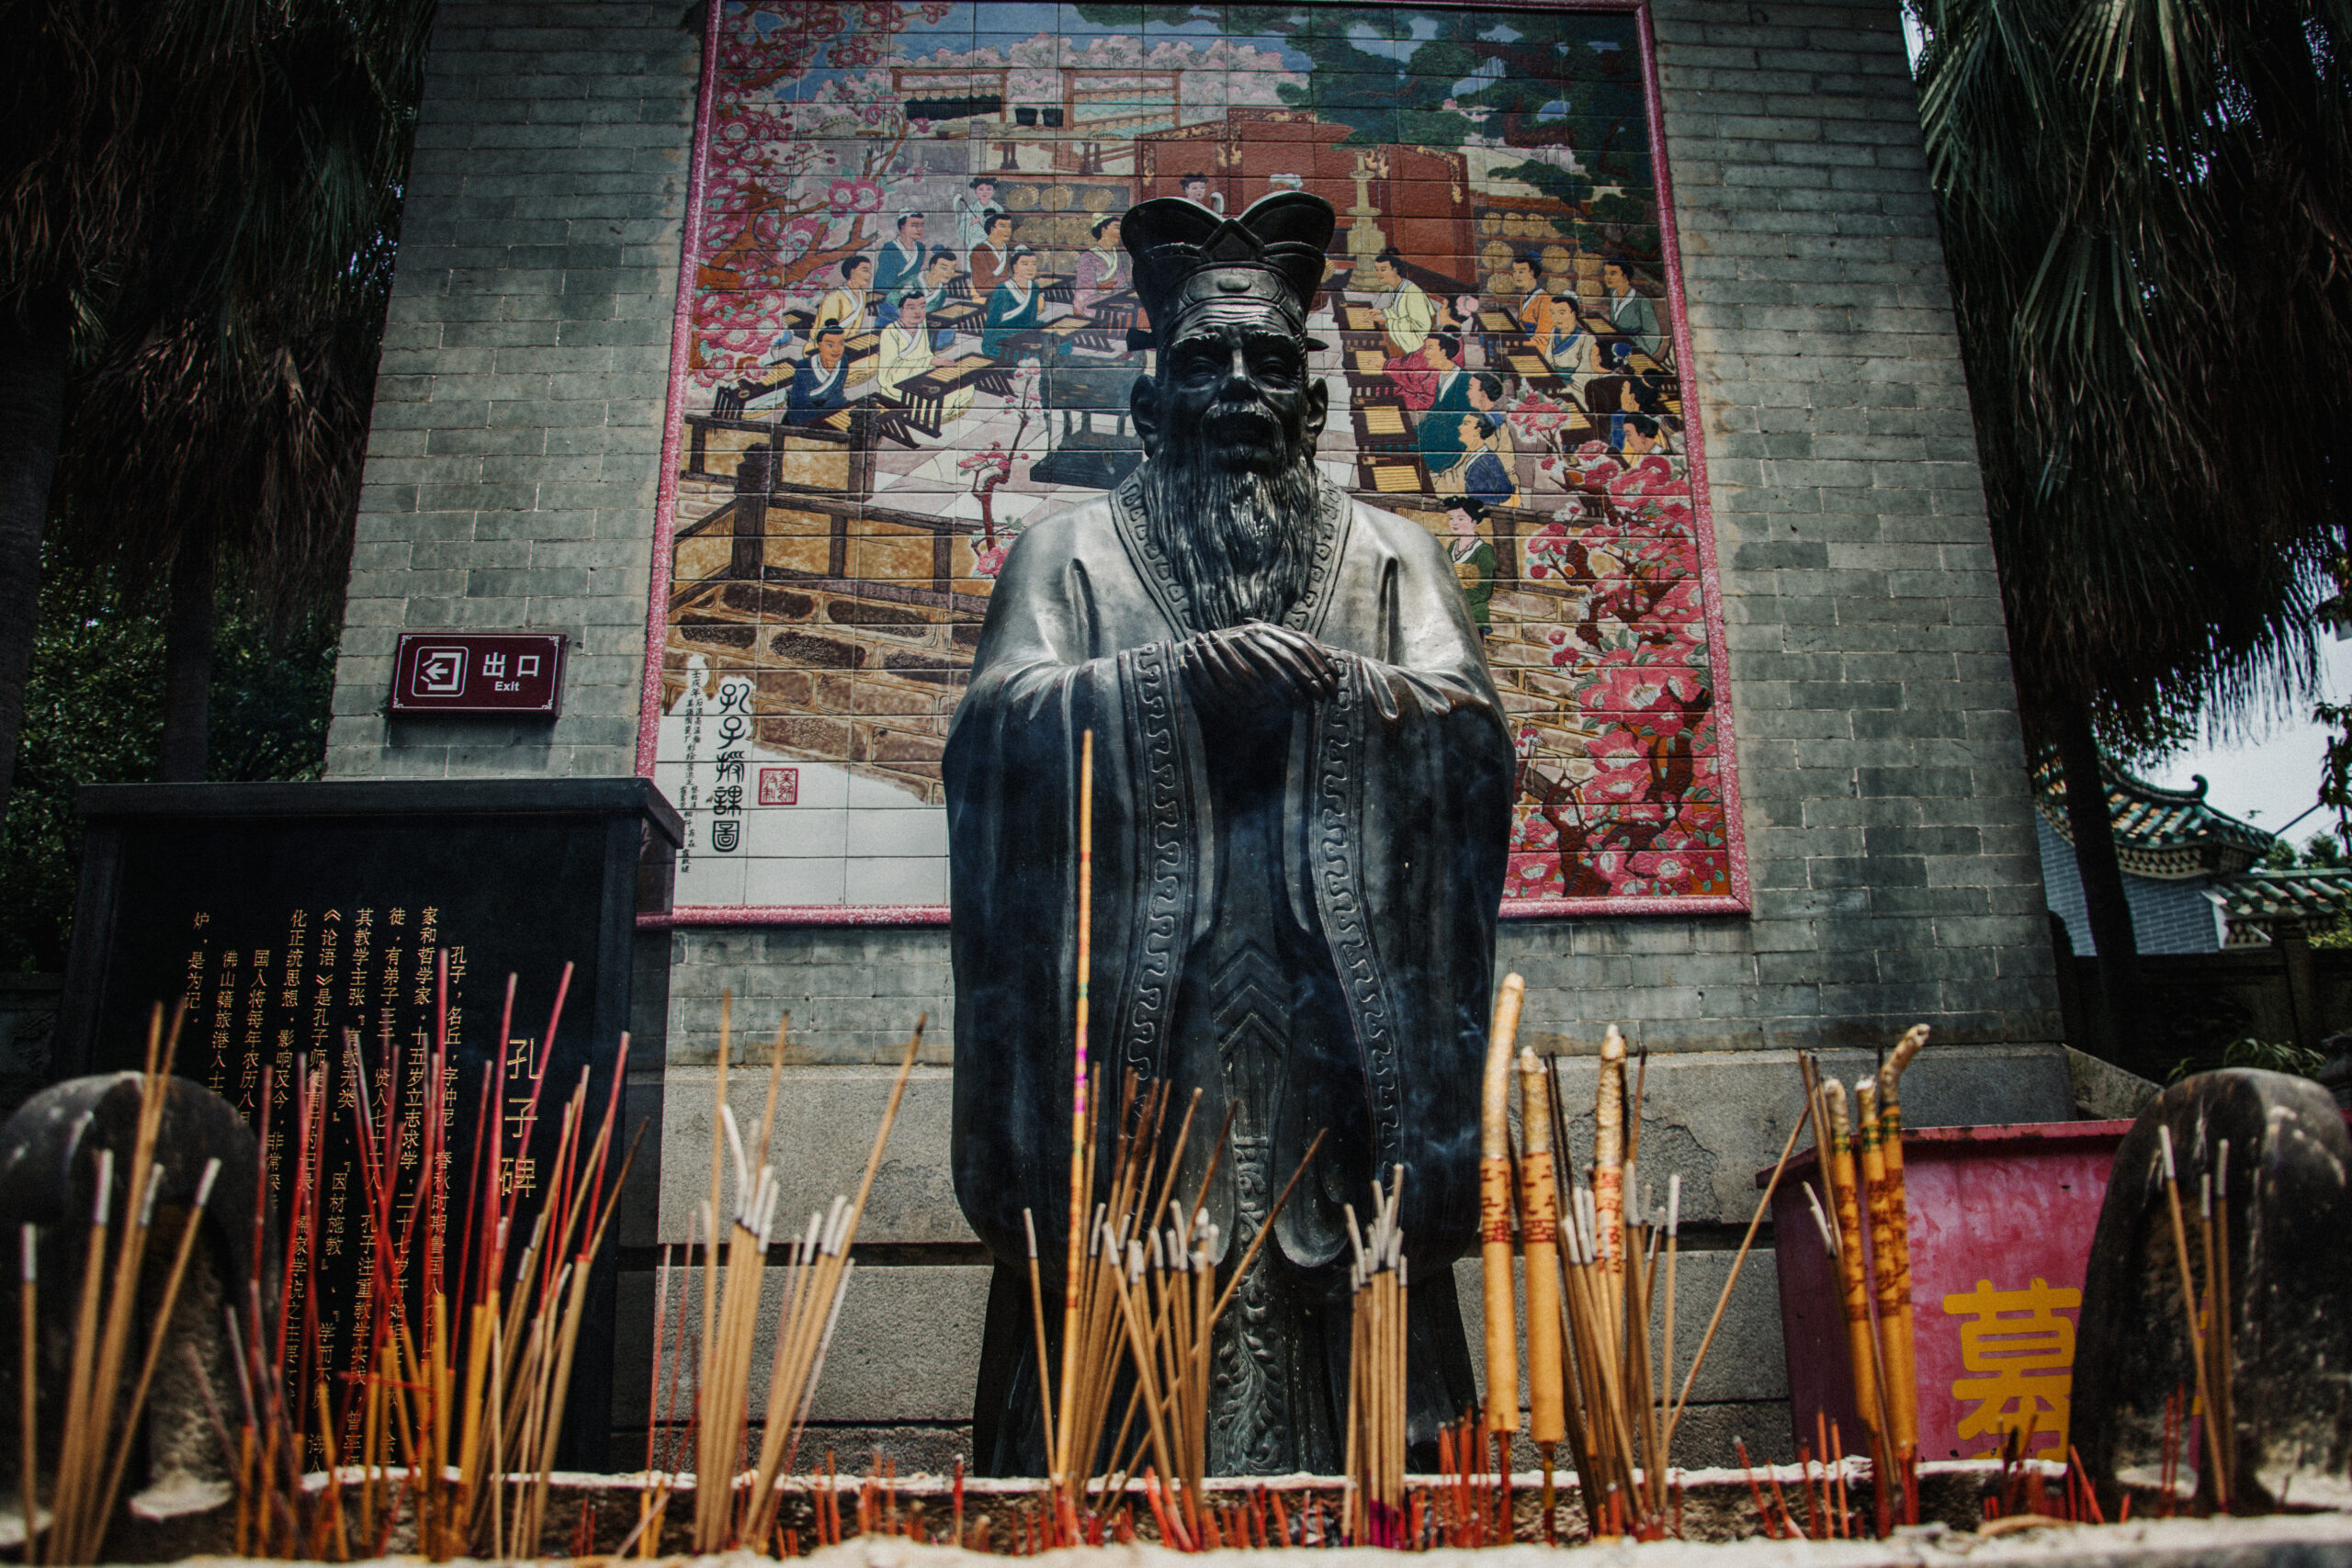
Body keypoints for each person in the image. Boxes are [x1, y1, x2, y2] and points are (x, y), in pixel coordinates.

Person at [947, 191, 1509, 1480]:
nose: (1242, 388)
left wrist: (1338, 688)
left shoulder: (1392, 558)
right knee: (1121, 1391)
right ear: (1150, 405)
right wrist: (1169, 686)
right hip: (1139, 1041)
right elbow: (992, 736)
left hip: (1339, 1043)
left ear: (1316, 408)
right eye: (1205, 361)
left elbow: (1471, 736)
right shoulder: (1067, 556)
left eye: (1273, 364)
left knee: (1357, 1381)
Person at [875, 292, 973, 422]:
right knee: (940, 404)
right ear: (901, 310)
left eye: (922, 307)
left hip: (922, 373)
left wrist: (938, 366)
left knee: (966, 387)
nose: (918, 312)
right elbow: (889, 373)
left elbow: (926, 353)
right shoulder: (890, 332)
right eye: (911, 308)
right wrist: (930, 362)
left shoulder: (922, 325)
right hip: (898, 383)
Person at [1364, 248, 1434, 357]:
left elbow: (1423, 326)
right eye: (1376, 270)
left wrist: (1386, 320)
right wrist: (1382, 312)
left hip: (1419, 343)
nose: (1379, 274)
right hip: (1404, 336)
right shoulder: (1394, 288)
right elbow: (1399, 311)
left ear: (1395, 270)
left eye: (1383, 270)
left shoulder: (1412, 292)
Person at [980, 244, 1046, 359]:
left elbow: (1032, 319)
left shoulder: (1034, 287)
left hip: (1024, 333)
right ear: (1015, 267)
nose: (1030, 268)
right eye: (1025, 264)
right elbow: (992, 321)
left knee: (1058, 341)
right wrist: (987, 344)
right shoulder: (1003, 289)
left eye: (1034, 264)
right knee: (1027, 356)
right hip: (1004, 335)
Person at [1444, 499, 1498, 637]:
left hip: (1473, 614)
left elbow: (1484, 591)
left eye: (1460, 518)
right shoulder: (1452, 547)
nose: (1454, 522)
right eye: (1452, 518)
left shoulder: (1484, 550)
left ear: (1474, 521)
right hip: (1451, 612)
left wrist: (1455, 598)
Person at [780, 324, 853, 424]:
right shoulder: (804, 365)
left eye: (841, 344)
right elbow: (799, 404)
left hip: (833, 406)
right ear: (820, 344)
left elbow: (837, 394)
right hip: (806, 412)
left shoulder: (844, 360)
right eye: (830, 345)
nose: (837, 350)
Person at [1443, 412, 1516, 509]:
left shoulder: (1488, 460)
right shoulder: (1471, 456)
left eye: (1466, 423)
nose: (1460, 427)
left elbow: (1504, 492)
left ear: (1477, 431)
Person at [1600, 255, 1664, 362]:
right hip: (1616, 342)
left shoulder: (1641, 301)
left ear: (1625, 276)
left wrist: (1634, 351)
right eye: (1606, 273)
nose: (1607, 277)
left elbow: (1653, 336)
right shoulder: (1613, 294)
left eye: (1613, 274)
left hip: (1635, 348)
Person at [1072, 212, 1127, 318]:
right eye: (1116, 228)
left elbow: (1122, 283)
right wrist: (1102, 287)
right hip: (1093, 303)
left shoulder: (1116, 256)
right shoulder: (1087, 258)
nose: (1120, 233)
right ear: (1103, 230)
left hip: (1114, 300)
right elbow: (1085, 289)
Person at [814, 255, 874, 337]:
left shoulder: (862, 295)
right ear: (852, 273)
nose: (869, 275)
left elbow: (855, 329)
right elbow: (823, 333)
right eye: (865, 271)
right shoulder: (834, 297)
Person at [871, 213, 928, 297]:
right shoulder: (889, 248)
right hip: (889, 295)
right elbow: (884, 281)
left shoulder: (920, 248)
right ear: (902, 227)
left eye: (922, 226)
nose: (920, 229)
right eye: (915, 226)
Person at [918, 248, 962, 349]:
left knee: (948, 334)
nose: (949, 273)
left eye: (952, 269)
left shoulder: (941, 292)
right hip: (902, 327)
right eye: (944, 268)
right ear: (933, 267)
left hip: (925, 326)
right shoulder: (912, 285)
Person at [967, 210, 1012, 297]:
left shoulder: (1006, 253)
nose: (1007, 231)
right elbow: (982, 287)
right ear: (992, 229)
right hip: (984, 297)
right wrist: (1009, 280)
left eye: (1009, 227)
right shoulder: (979, 252)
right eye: (1003, 226)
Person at [954, 175, 1000, 254]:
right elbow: (962, 228)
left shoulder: (998, 208)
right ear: (975, 191)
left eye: (989, 189)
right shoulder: (970, 208)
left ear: (994, 191)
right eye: (981, 189)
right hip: (975, 243)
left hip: (992, 243)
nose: (984, 192)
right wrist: (971, 223)